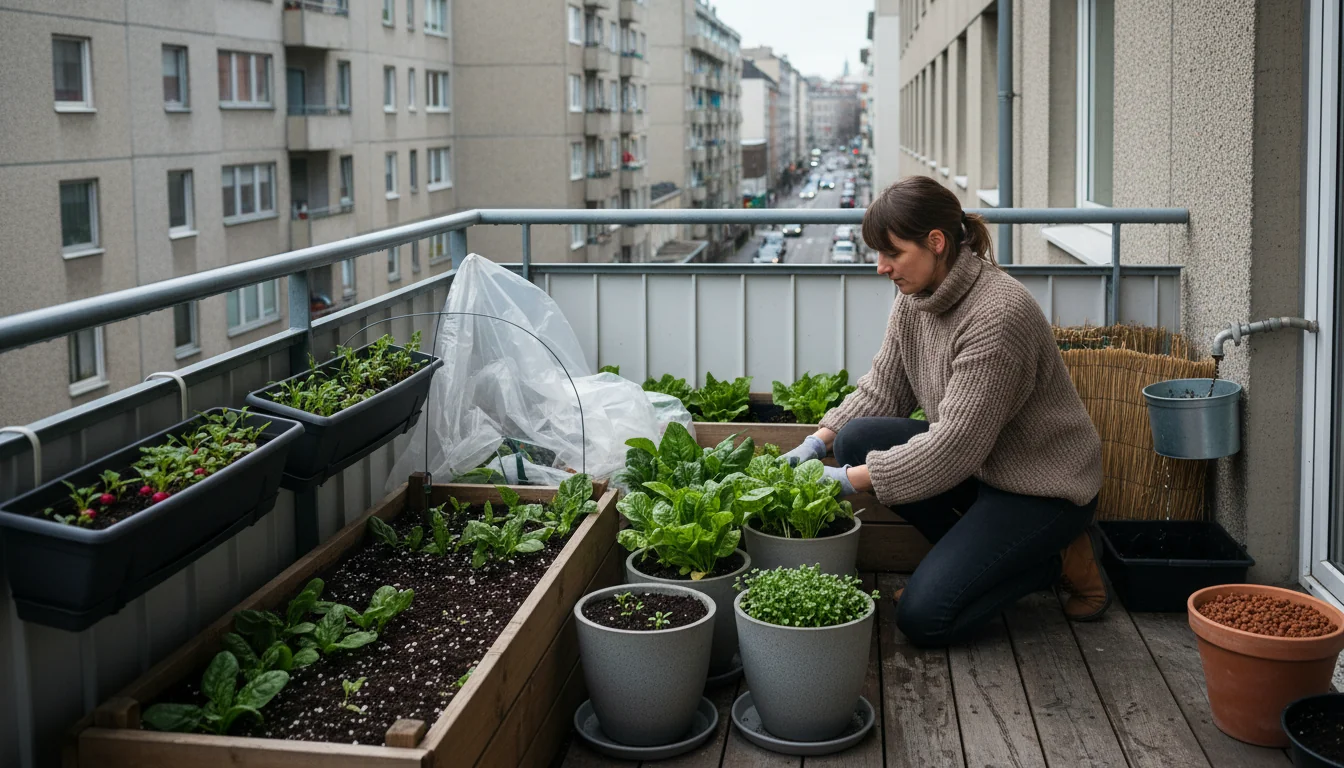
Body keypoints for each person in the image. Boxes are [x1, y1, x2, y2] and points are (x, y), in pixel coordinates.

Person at [782, 176, 1109, 648]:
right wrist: (817, 442)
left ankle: (1054, 560)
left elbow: (954, 447)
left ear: (936, 242)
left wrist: (845, 481)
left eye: (892, 253)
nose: (881, 267)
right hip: (983, 468)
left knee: (923, 618)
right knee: (855, 439)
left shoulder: (997, 315)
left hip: (1042, 489)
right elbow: (883, 388)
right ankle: (979, 565)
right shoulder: (915, 297)